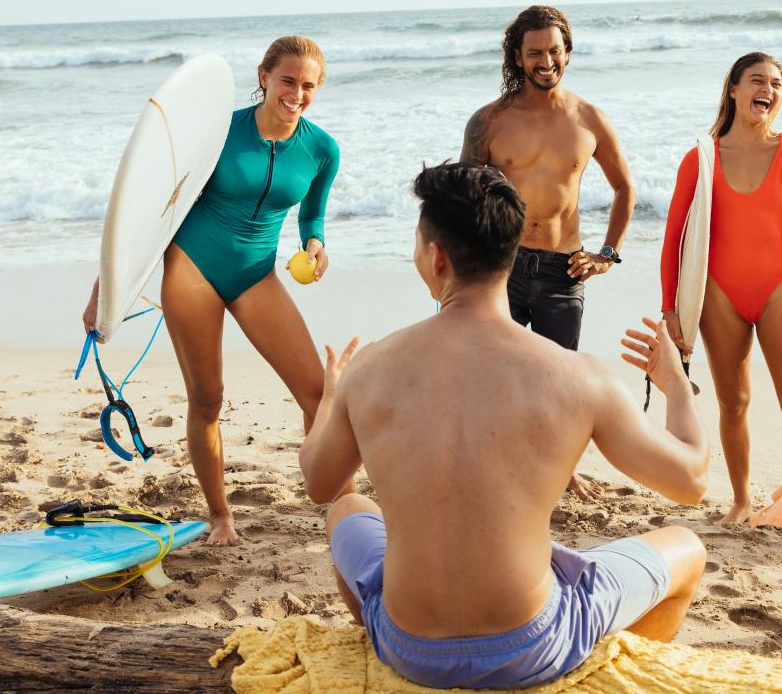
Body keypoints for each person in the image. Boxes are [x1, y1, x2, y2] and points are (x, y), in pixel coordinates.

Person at [298, 162, 708, 691]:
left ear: (436, 257)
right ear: (511, 254)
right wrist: (675, 385)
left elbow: (319, 483)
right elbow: (692, 481)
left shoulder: (371, 368)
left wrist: (332, 396)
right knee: (687, 548)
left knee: (349, 509)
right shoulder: (577, 377)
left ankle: (391, 667)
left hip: (408, 646)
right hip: (533, 646)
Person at [83, 36, 340, 546]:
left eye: (308, 85)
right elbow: (151, 209)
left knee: (316, 392)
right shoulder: (220, 132)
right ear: (264, 77)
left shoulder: (321, 149)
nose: (297, 93)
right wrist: (104, 290)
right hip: (192, 268)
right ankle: (220, 514)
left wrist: (316, 245)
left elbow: (312, 215)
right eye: (288, 80)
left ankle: (339, 499)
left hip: (256, 274)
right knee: (208, 398)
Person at [659, 52, 782, 524]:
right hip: (719, 295)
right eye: (758, 80)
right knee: (733, 403)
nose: (769, 89)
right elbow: (674, 235)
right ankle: (742, 500)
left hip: (779, 289)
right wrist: (670, 309)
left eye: (777, 83)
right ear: (734, 90)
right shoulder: (700, 158)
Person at [460, 5, 636, 500]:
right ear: (517, 56)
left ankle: (559, 469)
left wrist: (607, 253)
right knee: (495, 376)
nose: (545, 60)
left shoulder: (588, 119)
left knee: (559, 383)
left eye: (554, 50)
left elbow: (625, 189)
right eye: (534, 51)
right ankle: (495, 471)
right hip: (503, 266)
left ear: (567, 53)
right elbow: (461, 196)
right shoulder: (488, 121)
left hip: (564, 267)